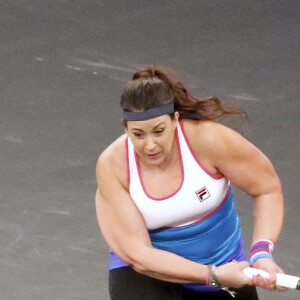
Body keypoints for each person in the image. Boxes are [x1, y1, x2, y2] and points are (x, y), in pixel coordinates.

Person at [95, 65, 286, 300]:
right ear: (126, 128)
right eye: (138, 134)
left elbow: (267, 189)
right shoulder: (113, 165)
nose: (150, 145)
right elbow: (139, 255)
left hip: (227, 266)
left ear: (175, 120)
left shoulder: (210, 141)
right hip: (150, 277)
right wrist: (212, 275)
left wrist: (261, 253)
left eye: (159, 131)